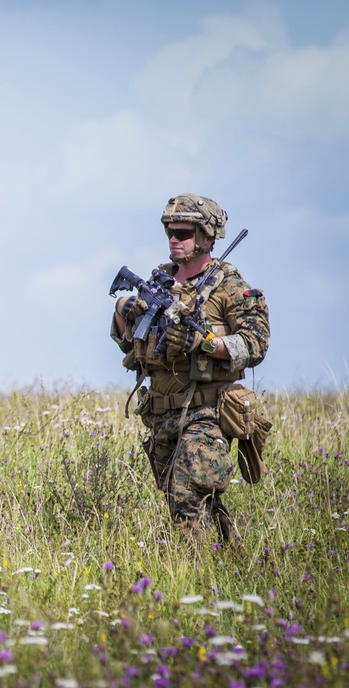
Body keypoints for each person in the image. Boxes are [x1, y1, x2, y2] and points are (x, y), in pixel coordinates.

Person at [110, 193, 270, 545]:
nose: (173, 238)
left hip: (207, 411)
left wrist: (206, 341)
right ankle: (233, 557)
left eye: (183, 232)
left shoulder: (231, 288)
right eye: (170, 230)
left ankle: (192, 575)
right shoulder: (160, 282)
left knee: (186, 493)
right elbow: (128, 344)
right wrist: (126, 311)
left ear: (208, 237)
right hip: (161, 412)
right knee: (188, 496)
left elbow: (256, 344)